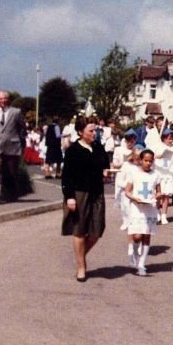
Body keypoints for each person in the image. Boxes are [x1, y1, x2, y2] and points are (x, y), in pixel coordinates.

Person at [61, 117, 110, 282]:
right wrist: (69, 197)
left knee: (97, 231)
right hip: (79, 193)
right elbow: (66, 176)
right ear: (81, 132)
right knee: (80, 230)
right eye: (91, 130)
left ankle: (80, 255)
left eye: (95, 130)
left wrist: (105, 170)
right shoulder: (73, 150)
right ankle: (81, 266)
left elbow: (105, 163)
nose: (94, 133)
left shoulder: (98, 147)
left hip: (97, 192)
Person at [123, 149, 162, 276]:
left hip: (149, 207)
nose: (148, 163)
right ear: (140, 160)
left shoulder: (156, 175)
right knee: (137, 236)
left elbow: (158, 191)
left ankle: (141, 264)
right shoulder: (134, 174)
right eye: (145, 160)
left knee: (147, 235)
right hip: (137, 207)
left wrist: (157, 197)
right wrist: (135, 198)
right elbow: (127, 191)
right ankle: (134, 253)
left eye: (150, 161)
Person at [0, 90, 26, 205]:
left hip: (12, 145)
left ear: (8, 100)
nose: (3, 100)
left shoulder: (16, 112)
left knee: (12, 172)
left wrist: (21, 141)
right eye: (1, 98)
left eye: (5, 98)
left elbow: (22, 127)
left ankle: (12, 194)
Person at [154, 128, 173, 225]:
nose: (170, 140)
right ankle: (157, 213)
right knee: (159, 195)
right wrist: (159, 155)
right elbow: (153, 157)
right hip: (159, 172)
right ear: (163, 139)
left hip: (169, 173)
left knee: (166, 196)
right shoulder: (158, 146)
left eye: (172, 138)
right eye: (168, 138)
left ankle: (164, 215)